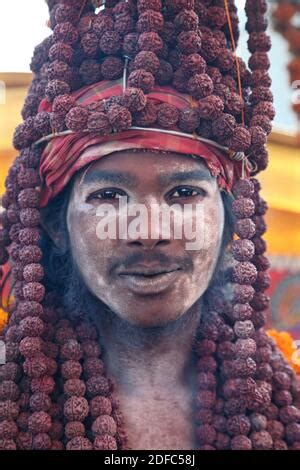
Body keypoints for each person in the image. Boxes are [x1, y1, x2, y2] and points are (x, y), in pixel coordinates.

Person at [0, 0, 300, 450]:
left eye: (184, 194)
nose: (148, 230)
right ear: (56, 227)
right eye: (107, 196)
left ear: (230, 217)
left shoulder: (285, 392)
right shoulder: (11, 395)